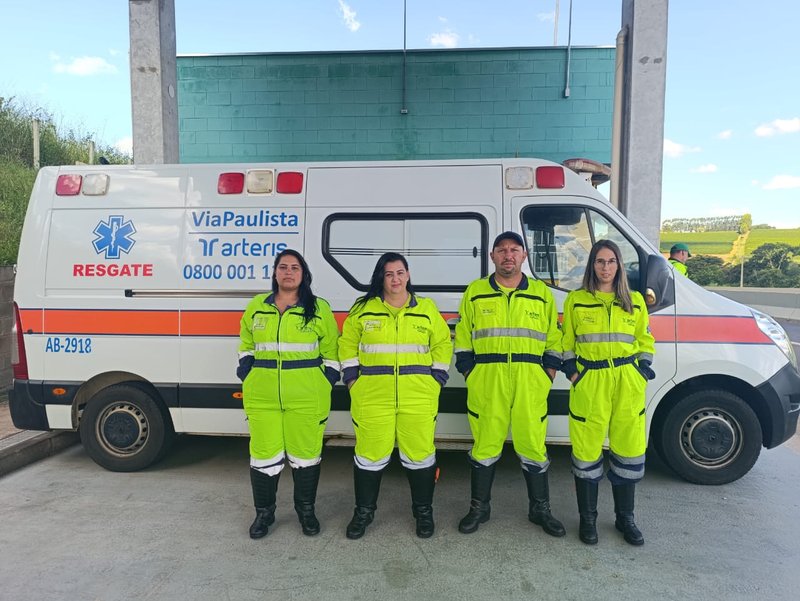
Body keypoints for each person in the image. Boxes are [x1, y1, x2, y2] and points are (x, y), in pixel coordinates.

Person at [454, 231, 565, 537]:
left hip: (531, 382)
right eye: (501, 250)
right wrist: (469, 372)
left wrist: (549, 372)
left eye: (514, 250)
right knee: (485, 445)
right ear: (492, 256)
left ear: (524, 256)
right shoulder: (476, 292)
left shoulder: (541, 294)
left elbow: (553, 339)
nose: (508, 255)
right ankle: (479, 508)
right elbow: (463, 339)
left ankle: (540, 510)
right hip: (488, 382)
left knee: (532, 444)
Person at [339, 252, 452, 539]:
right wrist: (352, 380)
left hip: (418, 398)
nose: (395, 279)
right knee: (369, 456)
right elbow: (347, 345)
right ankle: (363, 513)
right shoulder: (363, 309)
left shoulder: (426, 309)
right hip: (373, 398)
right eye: (389, 274)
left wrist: (436, 379)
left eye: (400, 272)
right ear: (381, 277)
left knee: (420, 456)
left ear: (408, 275)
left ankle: (423, 513)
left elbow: (441, 344)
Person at [237, 249, 340, 539]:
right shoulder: (257, 306)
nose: (288, 272)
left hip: (307, 397)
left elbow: (332, 353)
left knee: (305, 457)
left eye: (295, 267)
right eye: (283, 267)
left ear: (303, 274)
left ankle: (306, 512)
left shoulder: (319, 308)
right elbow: (246, 343)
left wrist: (325, 381)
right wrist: (248, 371)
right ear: (274, 272)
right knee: (263, 457)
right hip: (263, 397)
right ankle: (264, 515)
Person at [561, 239, 656, 546]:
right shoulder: (576, 300)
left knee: (627, 451)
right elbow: (566, 344)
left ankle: (624, 519)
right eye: (600, 262)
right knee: (587, 452)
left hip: (627, 382)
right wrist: (575, 373)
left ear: (619, 266)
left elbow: (645, 340)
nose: (605, 267)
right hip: (591, 382)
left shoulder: (636, 301)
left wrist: (641, 371)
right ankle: (588, 520)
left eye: (611, 261)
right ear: (592, 265)